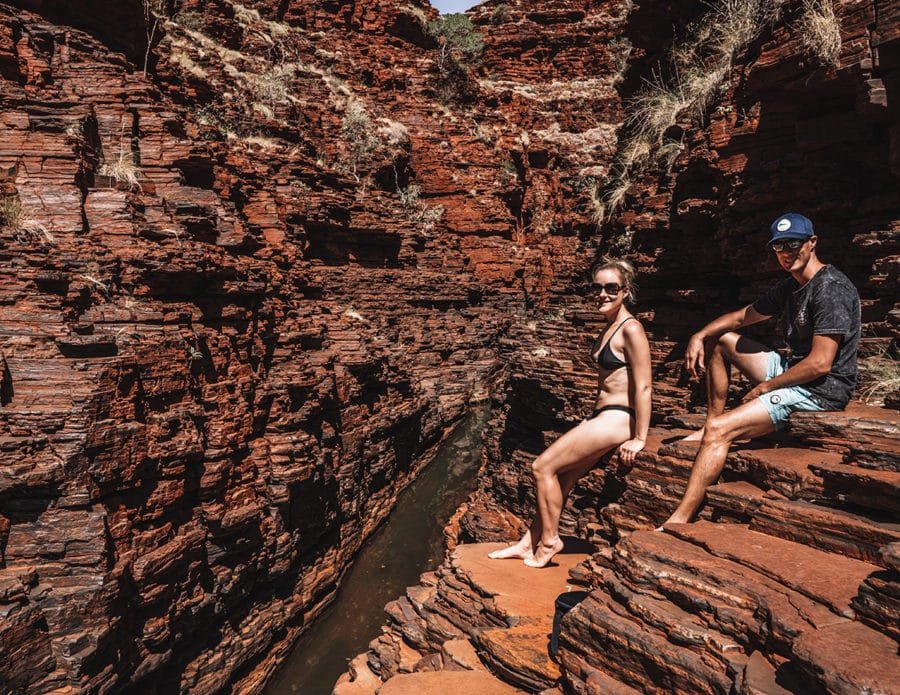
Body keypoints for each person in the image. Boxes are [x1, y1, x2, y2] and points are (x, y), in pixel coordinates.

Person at [662, 213, 860, 526]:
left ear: (812, 243)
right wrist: (699, 334)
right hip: (795, 371)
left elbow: (821, 363)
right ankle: (709, 422)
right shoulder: (791, 287)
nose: (786, 252)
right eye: (779, 246)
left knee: (720, 432)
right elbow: (743, 317)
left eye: (793, 243)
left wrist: (767, 387)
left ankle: (678, 519)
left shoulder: (831, 289)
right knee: (719, 338)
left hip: (820, 390)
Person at [489, 256, 652, 568]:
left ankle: (550, 541)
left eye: (611, 288)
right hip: (601, 417)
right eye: (597, 288)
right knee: (561, 477)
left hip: (619, 418)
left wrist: (640, 438)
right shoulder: (610, 327)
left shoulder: (631, 329)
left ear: (625, 291)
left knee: (541, 468)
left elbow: (644, 386)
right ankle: (528, 542)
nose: (602, 294)